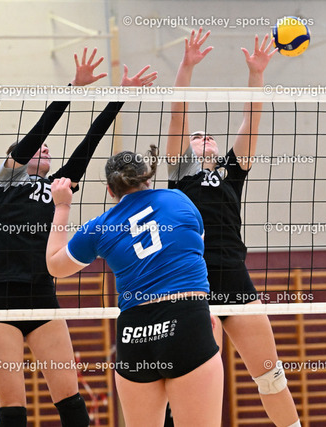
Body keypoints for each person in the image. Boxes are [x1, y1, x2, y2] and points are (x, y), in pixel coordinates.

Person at [0, 47, 157, 427]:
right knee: (13, 411)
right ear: (15, 160)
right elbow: (40, 129)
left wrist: (118, 94)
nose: (43, 148)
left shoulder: (59, 186)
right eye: (31, 151)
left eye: (46, 150)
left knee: (72, 404)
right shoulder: (7, 181)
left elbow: (89, 144)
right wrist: (73, 87)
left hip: (42, 297)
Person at [165, 28, 300, 427]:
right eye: (197, 137)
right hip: (190, 283)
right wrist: (186, 66)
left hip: (235, 278)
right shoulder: (179, 173)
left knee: (272, 378)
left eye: (209, 136)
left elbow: (252, 118)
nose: (203, 137)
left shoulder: (231, 173)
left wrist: (257, 74)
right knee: (191, 384)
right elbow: (178, 115)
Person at [45, 147, 223, 427]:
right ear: (147, 179)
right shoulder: (179, 199)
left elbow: (55, 266)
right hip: (186, 322)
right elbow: (194, 249)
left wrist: (62, 206)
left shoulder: (100, 227)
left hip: (135, 333)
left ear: (109, 190)